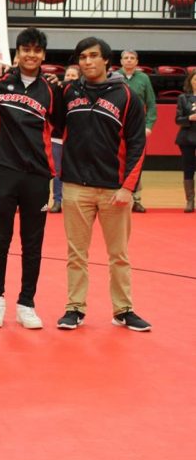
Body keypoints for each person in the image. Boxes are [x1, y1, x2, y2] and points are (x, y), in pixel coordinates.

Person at [57, 36, 150, 332]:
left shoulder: (126, 95)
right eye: (82, 57)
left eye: (93, 56)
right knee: (76, 255)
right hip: (75, 187)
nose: (87, 61)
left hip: (113, 190)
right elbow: (55, 126)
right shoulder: (68, 92)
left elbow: (137, 144)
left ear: (107, 61)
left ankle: (123, 310)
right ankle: (74, 308)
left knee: (119, 255)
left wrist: (128, 187)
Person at [0, 28, 64, 330]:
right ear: (17, 52)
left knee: (32, 243)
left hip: (38, 176)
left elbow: (63, 126)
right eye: (26, 49)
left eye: (37, 50)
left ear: (44, 55)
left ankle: (27, 302)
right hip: (2, 171)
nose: (31, 54)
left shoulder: (52, 91)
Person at [116, 50, 157, 213]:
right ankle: (116, 194)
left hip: (137, 128)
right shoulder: (114, 77)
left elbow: (152, 104)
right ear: (121, 61)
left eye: (132, 58)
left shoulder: (144, 78)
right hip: (117, 127)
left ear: (137, 61)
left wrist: (148, 125)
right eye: (126, 58)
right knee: (116, 161)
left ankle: (137, 199)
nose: (129, 60)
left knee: (136, 163)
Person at [49, 65, 80, 213]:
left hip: (76, 139)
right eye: (68, 75)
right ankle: (57, 201)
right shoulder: (58, 91)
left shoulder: (82, 94)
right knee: (57, 172)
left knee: (74, 172)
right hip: (57, 138)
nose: (70, 79)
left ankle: (73, 202)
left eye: (74, 76)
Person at [174, 67, 196, 213]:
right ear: (190, 81)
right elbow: (177, 119)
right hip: (187, 138)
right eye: (195, 79)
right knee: (188, 170)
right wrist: (189, 118)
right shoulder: (183, 98)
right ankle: (190, 201)